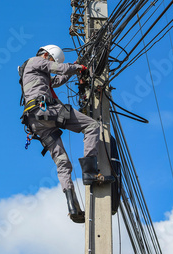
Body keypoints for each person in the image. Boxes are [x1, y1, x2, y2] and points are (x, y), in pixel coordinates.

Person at [18, 45, 114, 223]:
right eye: (51, 60)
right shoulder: (36, 60)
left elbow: (57, 80)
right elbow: (58, 68)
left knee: (63, 164)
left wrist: (73, 69)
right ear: (46, 54)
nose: (51, 63)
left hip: (36, 122)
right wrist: (79, 68)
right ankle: (90, 172)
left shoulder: (32, 74)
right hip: (47, 110)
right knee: (92, 126)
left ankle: (73, 206)